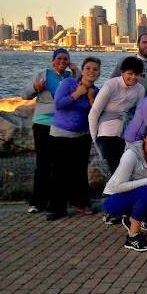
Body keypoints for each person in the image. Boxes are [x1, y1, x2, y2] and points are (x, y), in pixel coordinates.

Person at [22, 48, 77, 214]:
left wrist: (76, 70)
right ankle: (37, 202)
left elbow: (84, 84)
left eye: (65, 59)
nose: (62, 61)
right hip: (43, 124)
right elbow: (25, 95)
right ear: (53, 60)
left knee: (60, 165)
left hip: (62, 125)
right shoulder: (43, 74)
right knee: (43, 164)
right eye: (59, 58)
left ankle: (58, 200)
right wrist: (36, 87)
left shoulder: (70, 77)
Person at [102, 123, 147, 252]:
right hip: (114, 198)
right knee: (146, 190)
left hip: (140, 195)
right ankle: (132, 237)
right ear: (144, 138)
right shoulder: (131, 155)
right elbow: (117, 187)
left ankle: (131, 217)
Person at [47, 57, 101, 221]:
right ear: (82, 70)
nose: (91, 72)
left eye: (95, 69)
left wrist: (91, 99)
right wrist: (78, 93)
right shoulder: (68, 84)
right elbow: (59, 104)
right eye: (88, 68)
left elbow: (95, 115)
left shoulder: (96, 91)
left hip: (82, 136)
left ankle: (81, 203)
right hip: (61, 134)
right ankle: (57, 208)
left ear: (99, 73)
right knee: (59, 172)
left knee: (79, 172)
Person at [89, 56, 145, 173]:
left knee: (125, 170)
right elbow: (94, 114)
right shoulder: (110, 85)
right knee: (111, 170)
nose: (133, 77)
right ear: (122, 72)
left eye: (137, 74)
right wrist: (95, 140)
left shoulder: (140, 89)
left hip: (126, 135)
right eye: (130, 73)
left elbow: (139, 115)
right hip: (106, 134)